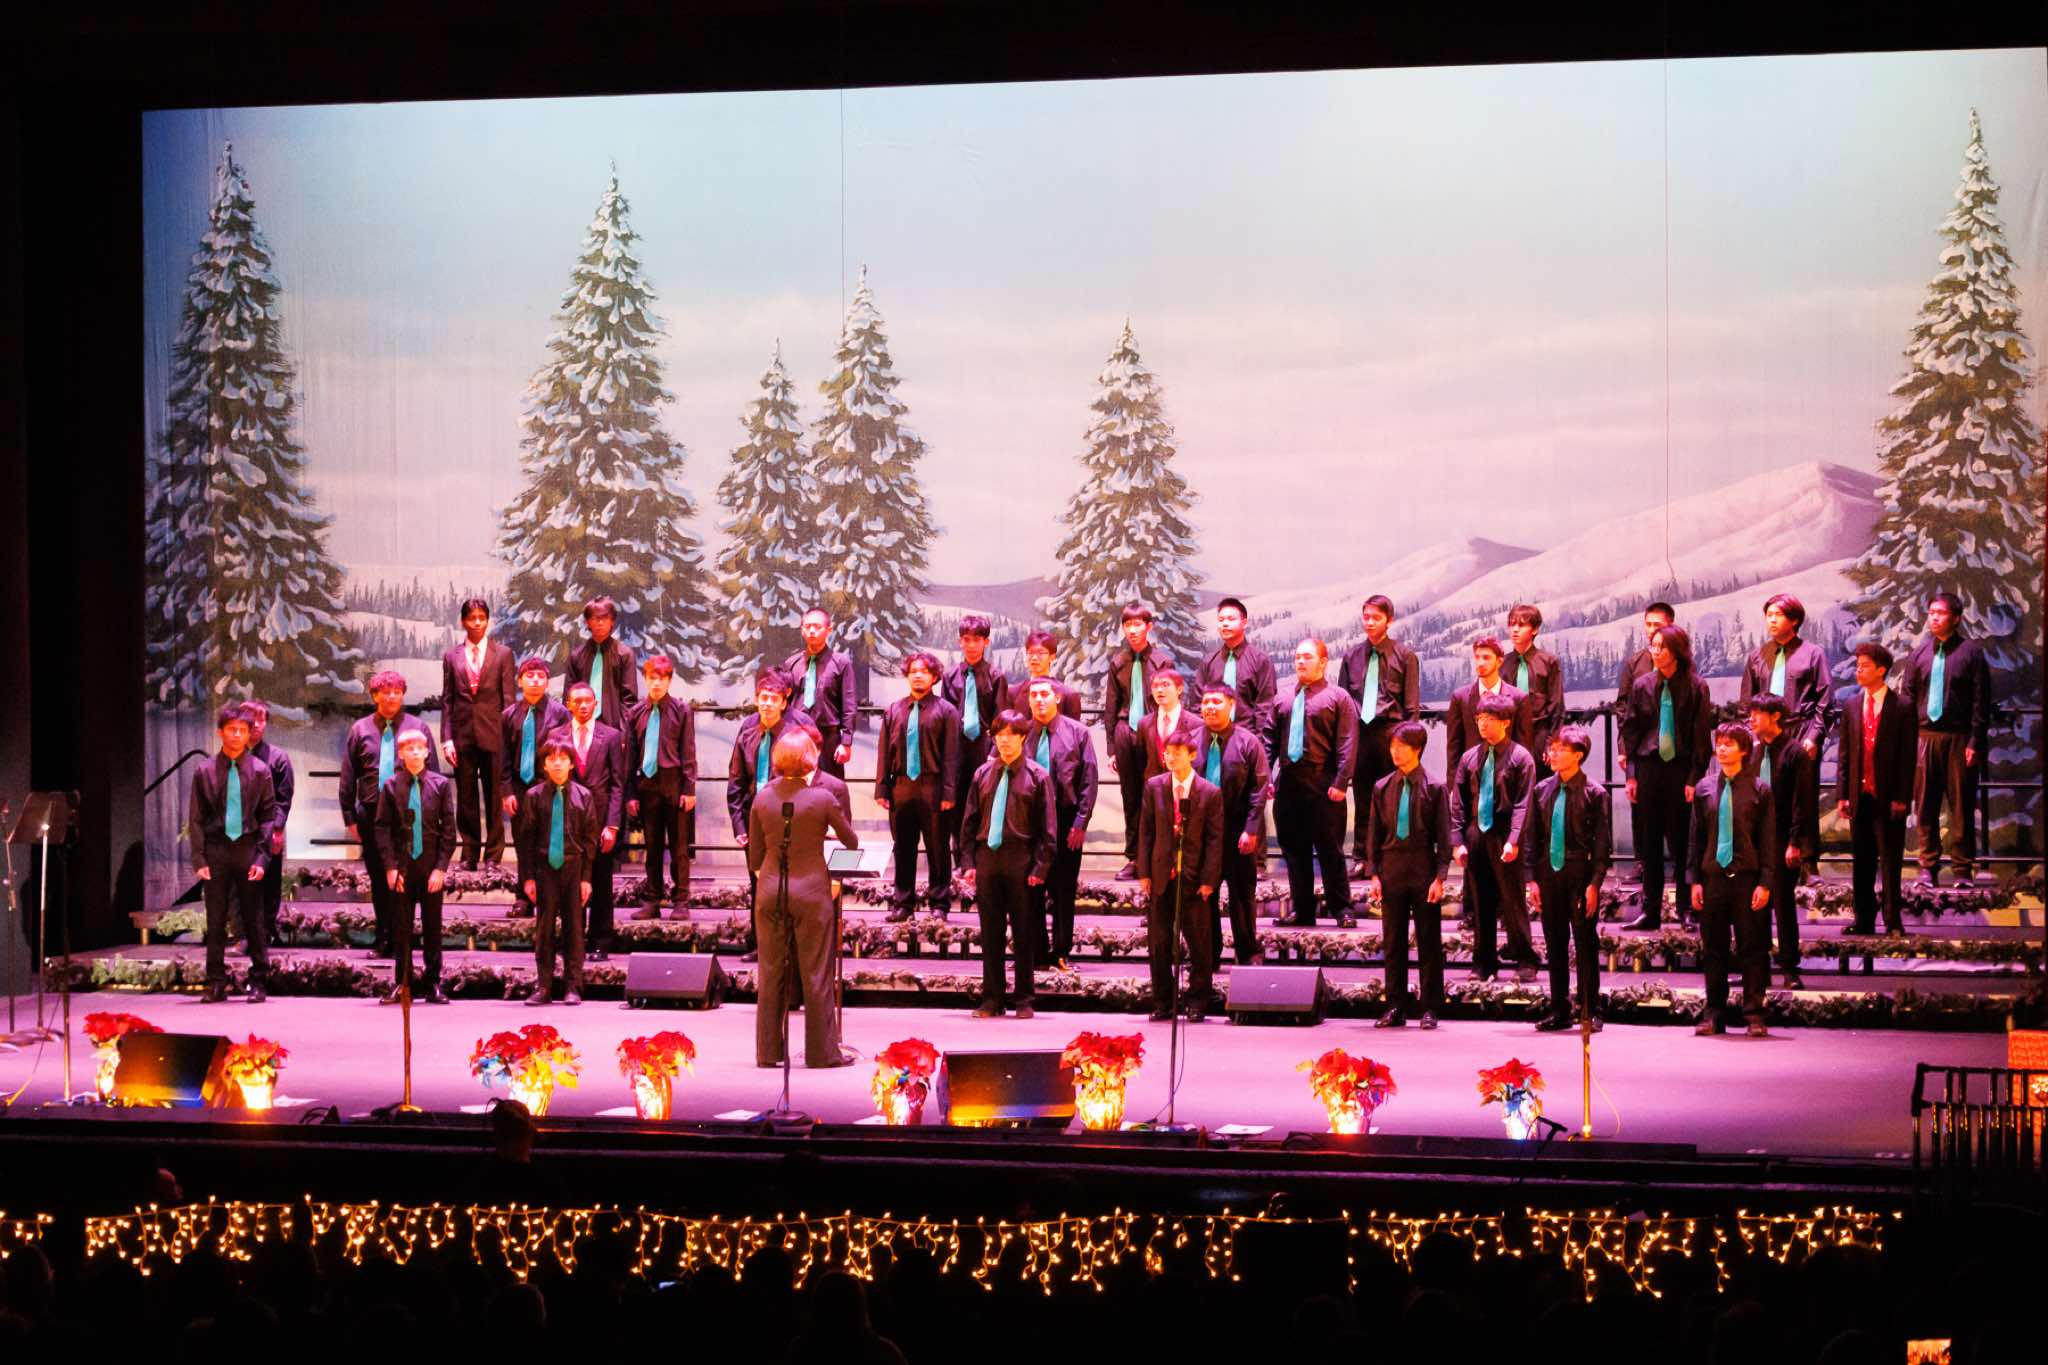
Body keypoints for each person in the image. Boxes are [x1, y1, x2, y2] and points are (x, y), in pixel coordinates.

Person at [748, 730, 859, 1068]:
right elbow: (851, 842)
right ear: (810, 759)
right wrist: (824, 830)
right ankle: (822, 1053)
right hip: (811, 892)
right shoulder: (823, 798)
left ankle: (768, 1052)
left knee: (770, 973)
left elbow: (755, 856)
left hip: (770, 891)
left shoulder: (762, 798)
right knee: (816, 972)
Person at [960, 710, 1057, 1019]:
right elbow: (969, 820)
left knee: (1024, 932)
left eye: (1010, 735)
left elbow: (1048, 829)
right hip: (988, 858)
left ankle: (1024, 999)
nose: (1004, 741)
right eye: (999, 735)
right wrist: (968, 861)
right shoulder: (982, 774)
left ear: (1023, 738)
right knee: (990, 933)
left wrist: (1040, 867)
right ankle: (992, 999)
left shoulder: (1038, 776)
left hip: (1021, 859)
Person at [339, 670, 440, 958]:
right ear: (375, 696)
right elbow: (348, 776)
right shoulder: (360, 729)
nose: (392, 697)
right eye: (386, 692)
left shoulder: (417, 727)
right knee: (381, 878)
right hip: (372, 815)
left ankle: (407, 938)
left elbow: (432, 774)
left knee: (410, 877)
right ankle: (385, 938)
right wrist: (349, 818)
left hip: (409, 814)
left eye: (397, 691)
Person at [1618, 625, 1712, 931]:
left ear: (1677, 651)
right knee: (1650, 842)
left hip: (1680, 770)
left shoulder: (1696, 687)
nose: (1655, 652)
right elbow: (1631, 732)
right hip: (1649, 767)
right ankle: (1651, 911)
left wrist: (1694, 778)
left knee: (1683, 841)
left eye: (1662, 647)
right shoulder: (1643, 685)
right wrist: (1631, 775)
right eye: (1653, 646)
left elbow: (1701, 738)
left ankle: (1686, 909)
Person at [1362, 721, 1451, 1028]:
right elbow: (1373, 833)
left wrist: (1440, 877)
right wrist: (1373, 874)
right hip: (1392, 868)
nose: (1395, 752)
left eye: (1401, 747)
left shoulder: (1435, 787)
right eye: (1393, 746)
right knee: (1393, 941)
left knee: (1428, 940)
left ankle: (1430, 1007)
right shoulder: (1382, 787)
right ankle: (1395, 1005)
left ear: (1418, 749)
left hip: (1422, 867)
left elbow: (1444, 837)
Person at [1690, 723, 1777, 1037]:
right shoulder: (1704, 789)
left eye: (1729, 744)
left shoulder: (1760, 790)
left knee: (1752, 948)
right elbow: (1696, 839)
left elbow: (1768, 841)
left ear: (1744, 750)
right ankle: (1714, 1013)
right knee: (1713, 949)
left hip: (1746, 879)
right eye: (1720, 743)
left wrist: (1765, 882)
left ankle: (1754, 1014)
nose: (1722, 749)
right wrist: (1694, 880)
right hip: (1713, 878)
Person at [1903, 592, 1994, 885]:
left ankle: (1962, 870)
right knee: (1925, 805)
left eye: (1940, 613)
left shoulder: (1971, 653)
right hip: (1925, 737)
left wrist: (1974, 742)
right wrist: (1909, 740)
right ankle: (1927, 866)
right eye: (1931, 612)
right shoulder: (1919, 655)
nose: (1934, 618)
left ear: (1955, 618)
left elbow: (1981, 701)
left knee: (1961, 807)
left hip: (1958, 738)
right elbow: (1908, 698)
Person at [1266, 638, 1357, 928]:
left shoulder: (1338, 697)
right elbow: (1268, 740)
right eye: (1297, 657)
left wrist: (1341, 781)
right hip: (1289, 782)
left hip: (1324, 781)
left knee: (1330, 849)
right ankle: (1303, 909)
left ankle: (1341, 908)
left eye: (1307, 657)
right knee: (1294, 850)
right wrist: (1265, 776)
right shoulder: (1283, 698)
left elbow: (1347, 743)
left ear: (1323, 662)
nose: (1300, 662)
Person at [191, 702, 278, 1004]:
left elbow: (268, 816)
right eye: (231, 730)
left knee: (253, 919)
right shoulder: (204, 771)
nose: (237, 735)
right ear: (221, 732)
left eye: (242, 730)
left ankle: (259, 980)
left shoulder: (260, 771)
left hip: (247, 849)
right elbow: (196, 818)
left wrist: (262, 857)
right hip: (216, 850)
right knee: (216, 920)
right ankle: (216, 982)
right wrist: (199, 858)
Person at [1526, 726, 1611, 1031]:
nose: (1553, 754)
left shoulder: (1595, 793)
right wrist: (1532, 880)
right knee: (1555, 942)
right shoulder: (1541, 790)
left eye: (1561, 750)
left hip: (1579, 871)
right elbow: (1532, 838)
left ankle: (1590, 1007)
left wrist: (1594, 884)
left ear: (1578, 755)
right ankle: (1559, 1008)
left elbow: (1602, 845)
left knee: (1585, 942)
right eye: (1552, 749)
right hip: (1549, 872)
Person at [1136, 733, 1224, 1022]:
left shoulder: (1210, 792)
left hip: (1194, 879)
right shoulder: (1154, 786)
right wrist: (1144, 872)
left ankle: (1197, 1001)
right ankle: (1163, 1001)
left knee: (1199, 944)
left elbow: (1214, 841)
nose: (1171, 758)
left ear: (1192, 755)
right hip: (1162, 875)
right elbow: (1146, 831)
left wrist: (1209, 880)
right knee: (1159, 943)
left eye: (1177, 752)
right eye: (1168, 753)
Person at [1450, 694, 1540, 980]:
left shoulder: (1520, 757)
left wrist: (1514, 840)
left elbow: (1524, 804)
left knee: (1512, 900)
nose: (1483, 724)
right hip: (1477, 832)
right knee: (1480, 901)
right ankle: (1483, 962)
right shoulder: (1469, 757)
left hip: (1505, 833)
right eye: (1480, 718)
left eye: (1489, 719)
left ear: (1505, 722)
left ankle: (1525, 958)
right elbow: (1458, 802)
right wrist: (1457, 841)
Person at [1837, 642, 1917, 935]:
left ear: (1881, 670)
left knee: (1890, 860)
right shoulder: (1851, 705)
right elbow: (1845, 754)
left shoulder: (1903, 707)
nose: (1858, 671)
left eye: (1865, 666)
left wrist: (1901, 797)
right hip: (1860, 796)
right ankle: (1864, 919)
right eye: (1857, 666)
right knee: (1862, 860)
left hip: (1888, 797)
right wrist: (1843, 795)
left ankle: (1893, 921)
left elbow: (1908, 758)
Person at [374, 730, 457, 1005]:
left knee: (432, 927)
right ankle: (403, 982)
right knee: (401, 928)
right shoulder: (390, 786)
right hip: (402, 867)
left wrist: (441, 868)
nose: (414, 752)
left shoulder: (440, 785)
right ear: (400, 754)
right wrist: (390, 867)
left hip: (430, 866)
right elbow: (383, 829)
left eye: (419, 747)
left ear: (427, 752)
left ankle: (433, 983)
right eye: (408, 748)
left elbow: (449, 830)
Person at [1338, 594, 1420, 872]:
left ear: (1389, 620)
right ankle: (1361, 858)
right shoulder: (1351, 657)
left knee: (1394, 797)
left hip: (1392, 734)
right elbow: (1343, 702)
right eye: (1366, 617)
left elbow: (1411, 706)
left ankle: (1391, 858)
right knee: (1362, 798)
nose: (1370, 623)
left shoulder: (1404, 656)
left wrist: (1408, 745)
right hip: (1360, 734)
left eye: (1376, 617)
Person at [876, 652, 960, 921]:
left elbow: (951, 756)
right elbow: (884, 752)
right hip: (901, 786)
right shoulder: (894, 710)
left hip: (933, 786)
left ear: (934, 677)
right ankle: (903, 903)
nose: (918, 676)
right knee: (903, 847)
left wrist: (949, 792)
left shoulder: (946, 711)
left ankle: (939, 904)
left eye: (924, 671)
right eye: (913, 671)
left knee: (938, 848)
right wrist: (882, 788)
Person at [1023, 677, 1097, 967]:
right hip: (1029, 822)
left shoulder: (1078, 733)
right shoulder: (1021, 733)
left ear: (1057, 698)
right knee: (1031, 889)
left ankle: (1061, 952)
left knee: (1063, 889)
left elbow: (1088, 780)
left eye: (1044, 694)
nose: (1039, 700)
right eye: (1034, 695)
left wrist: (1081, 822)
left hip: (1066, 820)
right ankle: (1036, 953)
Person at [1194, 683, 1270, 968]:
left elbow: (1258, 790)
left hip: (1237, 831)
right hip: (1202, 835)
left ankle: (1248, 952)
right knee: (1204, 897)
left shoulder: (1248, 742)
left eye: (1216, 701)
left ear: (1231, 705)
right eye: (1206, 702)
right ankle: (1208, 957)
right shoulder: (1191, 741)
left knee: (1241, 896)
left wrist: (1251, 829)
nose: (1210, 707)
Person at [548, 681, 626, 960]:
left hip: (601, 822)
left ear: (596, 704)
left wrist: (612, 825)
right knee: (569, 883)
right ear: (568, 705)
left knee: (601, 882)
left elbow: (617, 784)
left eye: (587, 701)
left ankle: (600, 942)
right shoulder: (556, 735)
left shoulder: (612, 736)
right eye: (577, 701)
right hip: (568, 822)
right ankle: (573, 941)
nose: (583, 706)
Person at [439, 598, 518, 869]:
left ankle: (494, 856)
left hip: (495, 736)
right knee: (466, 798)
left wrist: (509, 739)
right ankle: (469, 854)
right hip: (462, 737)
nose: (477, 623)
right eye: (471, 618)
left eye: (481, 618)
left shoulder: (503, 654)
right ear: (463, 621)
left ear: (487, 620)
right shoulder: (451, 656)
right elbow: (447, 700)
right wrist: (447, 739)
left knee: (495, 797)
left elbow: (509, 701)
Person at [518, 738, 596, 1006]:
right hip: (544, 869)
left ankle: (573, 986)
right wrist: (528, 878)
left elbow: (590, 842)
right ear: (544, 765)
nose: (558, 764)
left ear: (572, 764)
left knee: (574, 928)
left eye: (563, 759)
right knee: (544, 929)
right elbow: (526, 840)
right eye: (552, 759)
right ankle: (544, 987)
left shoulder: (584, 796)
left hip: (574, 867)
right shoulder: (533, 796)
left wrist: (586, 879)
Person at [1103, 602, 1178, 880]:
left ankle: (1159, 855)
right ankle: (1134, 857)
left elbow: (1169, 701)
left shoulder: (1162, 662)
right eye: (1127, 625)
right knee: (1130, 796)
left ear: (1149, 627)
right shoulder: (1118, 662)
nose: (1132, 630)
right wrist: (1112, 748)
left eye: (1138, 625)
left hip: (1153, 730)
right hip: (1125, 731)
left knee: (1157, 793)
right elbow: (1111, 706)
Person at [1746, 694, 1816, 989]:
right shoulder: (1753, 752)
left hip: (1781, 837)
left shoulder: (1794, 752)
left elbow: (1803, 801)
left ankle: (1789, 968)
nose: (1751, 719)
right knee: (1754, 906)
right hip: (1754, 840)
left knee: (1782, 904)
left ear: (1775, 716)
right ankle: (1757, 968)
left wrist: (1795, 842)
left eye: (1757, 714)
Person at [624, 654, 697, 921]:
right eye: (652, 678)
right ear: (645, 679)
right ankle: (652, 900)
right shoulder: (635, 713)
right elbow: (631, 755)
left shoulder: (682, 710)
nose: (656, 684)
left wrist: (689, 789)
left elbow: (688, 751)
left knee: (679, 848)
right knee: (652, 847)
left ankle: (681, 901)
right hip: (647, 784)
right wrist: (631, 794)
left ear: (669, 681)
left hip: (674, 783)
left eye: (662, 679)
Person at [498, 658, 570, 919]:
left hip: (547, 785)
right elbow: (503, 758)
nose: (536, 680)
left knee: (550, 841)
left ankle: (553, 898)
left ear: (547, 681)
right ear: (520, 681)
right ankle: (523, 897)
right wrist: (506, 791)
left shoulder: (560, 713)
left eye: (541, 676)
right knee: (524, 842)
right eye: (530, 676)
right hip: (519, 787)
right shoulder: (508, 715)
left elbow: (565, 753)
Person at [1738, 593, 1834, 784]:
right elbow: (1746, 704)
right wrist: (1753, 736)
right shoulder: (1757, 656)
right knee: (1765, 792)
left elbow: (1826, 700)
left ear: (1794, 620)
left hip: (1800, 733)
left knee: (1800, 794)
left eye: (1778, 615)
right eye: (1769, 615)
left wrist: (1814, 736)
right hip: (1764, 736)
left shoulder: (1813, 654)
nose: (1772, 620)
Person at [942, 615, 1008, 889]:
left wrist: (994, 752)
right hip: (957, 749)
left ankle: (982, 859)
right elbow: (945, 715)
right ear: (960, 641)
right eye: (966, 640)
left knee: (982, 804)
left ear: (986, 642)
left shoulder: (995, 676)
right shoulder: (950, 676)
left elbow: (1000, 717)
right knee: (957, 805)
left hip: (983, 747)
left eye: (977, 640)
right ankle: (960, 859)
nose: (971, 645)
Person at [1613, 601, 1675, 885]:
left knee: (1676, 810)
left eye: (1657, 625)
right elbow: (1623, 707)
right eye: (1648, 624)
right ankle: (1642, 862)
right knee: (1640, 807)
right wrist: (1623, 748)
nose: (1651, 630)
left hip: (1671, 747)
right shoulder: (1635, 662)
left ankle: (1679, 864)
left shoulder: (1681, 662)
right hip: (1640, 747)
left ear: (1670, 626)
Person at [782, 607, 861, 778]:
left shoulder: (841, 663)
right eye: (807, 626)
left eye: (817, 627)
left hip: (828, 738)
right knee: (797, 785)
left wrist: (846, 742)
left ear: (828, 630)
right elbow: (785, 703)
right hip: (798, 736)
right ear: (802, 630)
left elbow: (849, 706)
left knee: (829, 787)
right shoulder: (791, 664)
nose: (812, 630)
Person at [243, 699, 294, 947]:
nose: (255, 724)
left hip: (269, 829)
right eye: (251, 719)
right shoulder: (231, 756)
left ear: (266, 723)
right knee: (242, 884)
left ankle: (267, 931)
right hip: (240, 832)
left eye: (260, 719)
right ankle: (245, 933)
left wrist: (277, 829)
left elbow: (284, 799)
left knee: (270, 882)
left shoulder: (278, 758)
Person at [1443, 636, 1531, 773]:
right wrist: (1454, 783)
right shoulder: (1460, 697)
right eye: (1477, 657)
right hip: (1470, 776)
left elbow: (1523, 746)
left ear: (1499, 661)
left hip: (1506, 776)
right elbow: (1454, 748)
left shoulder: (1518, 698)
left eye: (1486, 658)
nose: (1480, 663)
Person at [1197, 597, 1278, 738]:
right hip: (1212, 739)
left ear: (1244, 623)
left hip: (1246, 739)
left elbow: (1265, 707)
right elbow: (1197, 704)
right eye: (1221, 620)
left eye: (1231, 619)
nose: (1225, 624)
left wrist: (1258, 744)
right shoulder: (1209, 662)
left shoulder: (1260, 660)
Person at [1504, 604, 1565, 773]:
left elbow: (1556, 706)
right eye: (1511, 624)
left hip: (1539, 736)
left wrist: (1552, 743)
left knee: (1541, 784)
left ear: (1535, 629)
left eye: (1521, 625)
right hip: (1510, 737)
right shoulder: (1503, 663)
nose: (1515, 630)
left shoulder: (1549, 662)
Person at [564, 595, 637, 726]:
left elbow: (629, 699)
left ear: (612, 621)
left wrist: (623, 731)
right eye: (594, 618)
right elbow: (568, 696)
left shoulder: (625, 654)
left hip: (614, 727)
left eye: (605, 618)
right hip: (581, 725)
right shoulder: (576, 655)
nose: (600, 622)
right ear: (587, 622)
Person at [1137, 667, 1202, 781]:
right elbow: (1141, 761)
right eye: (1155, 686)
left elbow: (1199, 764)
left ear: (1179, 689)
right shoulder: (1144, 723)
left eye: (1165, 685)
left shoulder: (1196, 724)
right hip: (1153, 787)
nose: (1159, 690)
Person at [1013, 628, 1084, 721]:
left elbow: (1073, 728)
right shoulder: (1013, 694)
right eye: (1030, 653)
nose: (1034, 658)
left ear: (1052, 657)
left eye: (1040, 653)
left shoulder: (1068, 696)